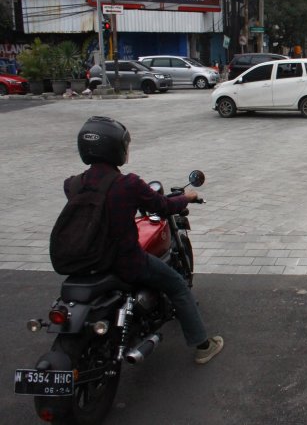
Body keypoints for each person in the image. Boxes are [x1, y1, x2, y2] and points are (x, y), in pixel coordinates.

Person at [71, 116, 224, 364]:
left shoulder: (74, 184)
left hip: (86, 261)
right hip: (124, 261)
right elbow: (162, 206)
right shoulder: (127, 184)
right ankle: (203, 345)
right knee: (177, 285)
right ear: (116, 149)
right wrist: (187, 197)